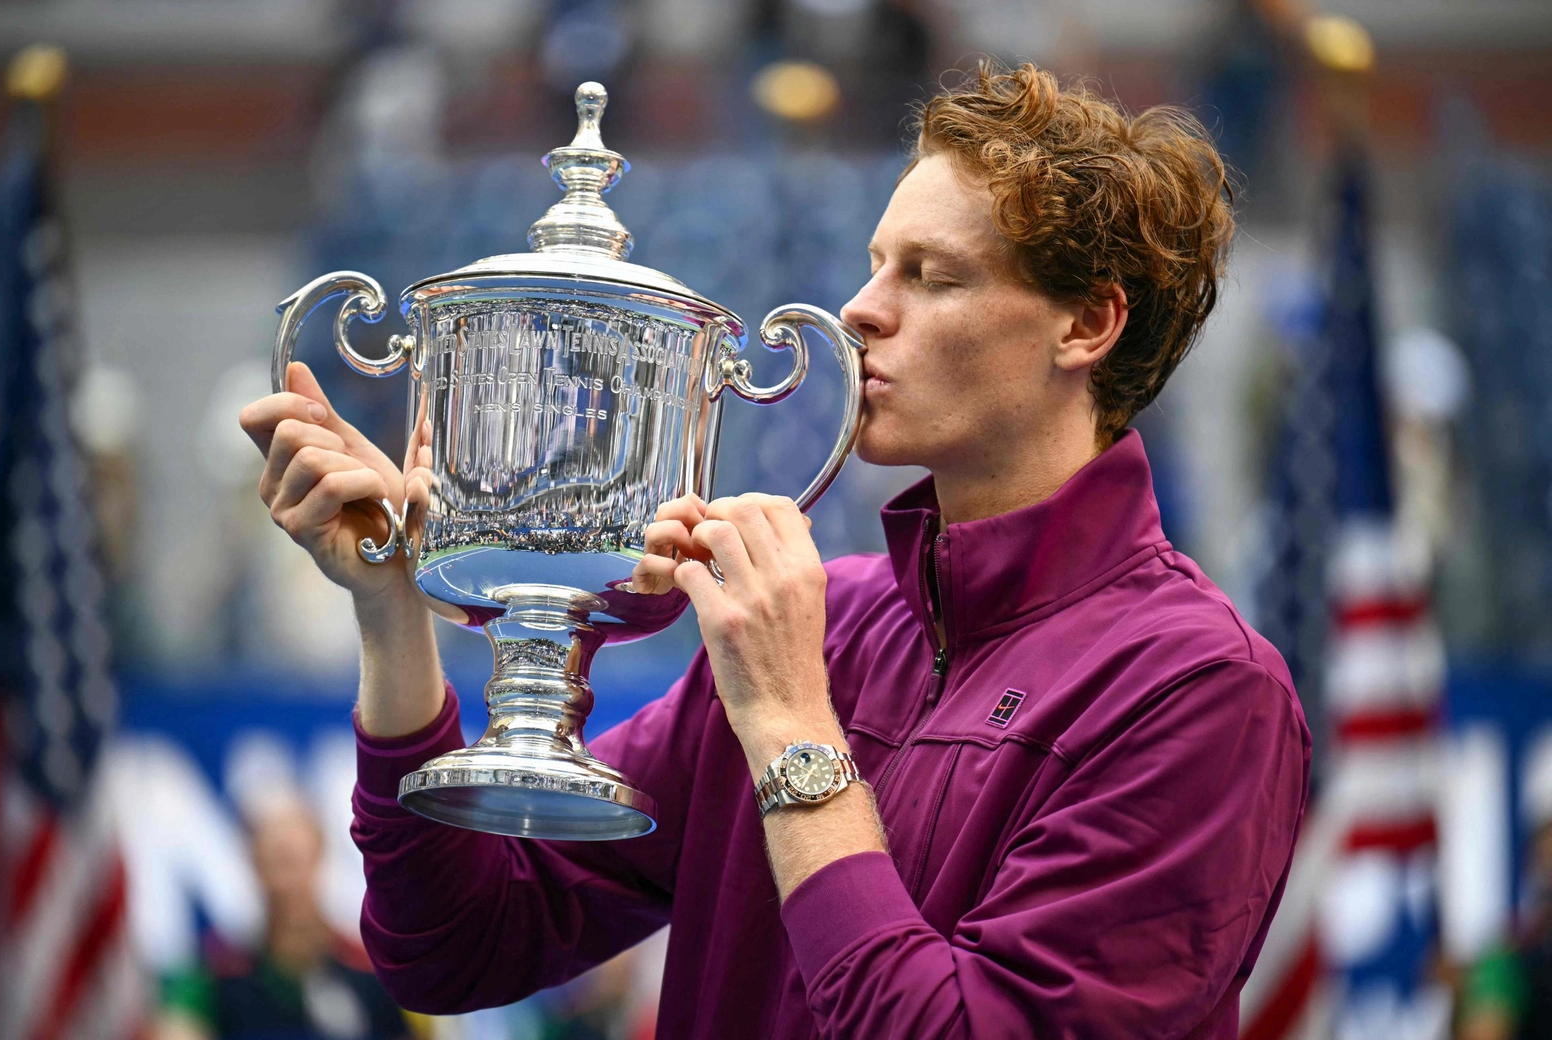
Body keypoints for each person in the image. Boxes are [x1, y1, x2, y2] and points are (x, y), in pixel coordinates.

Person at [241, 61, 1310, 1038]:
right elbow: (452, 944)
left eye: (931, 276)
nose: (859, 309)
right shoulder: (823, 620)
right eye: (874, 265)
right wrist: (389, 609)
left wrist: (794, 722)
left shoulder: (1201, 687)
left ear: (1087, 325)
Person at [154, 796, 411, 1040]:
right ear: (253, 864)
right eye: (274, 861)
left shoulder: (368, 966)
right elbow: (178, 1025)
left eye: (294, 860)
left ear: (320, 854)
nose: (286, 881)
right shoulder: (219, 969)